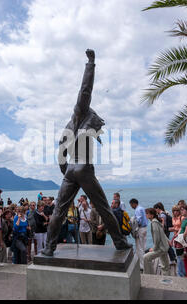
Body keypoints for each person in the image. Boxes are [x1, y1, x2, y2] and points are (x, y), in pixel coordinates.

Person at [41, 49, 131, 256]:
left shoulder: (67, 126)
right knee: (104, 207)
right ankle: (120, 243)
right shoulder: (81, 111)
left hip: (71, 168)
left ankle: (48, 247)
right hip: (83, 167)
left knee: (59, 211)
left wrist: (67, 172)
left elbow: (60, 154)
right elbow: (85, 90)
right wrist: (91, 63)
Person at [143, 208, 171, 275]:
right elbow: (162, 233)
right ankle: (167, 277)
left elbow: (157, 237)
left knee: (146, 257)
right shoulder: (157, 222)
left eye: (147, 213)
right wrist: (168, 241)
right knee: (165, 265)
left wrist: (154, 248)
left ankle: (149, 276)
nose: (145, 215)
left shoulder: (154, 223)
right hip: (164, 246)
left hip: (161, 247)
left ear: (152, 215)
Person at [129, 198, 148, 271]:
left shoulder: (137, 209)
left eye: (131, 205)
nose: (131, 207)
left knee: (139, 247)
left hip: (140, 229)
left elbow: (138, 221)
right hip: (145, 228)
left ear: (134, 203)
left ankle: (141, 266)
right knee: (143, 246)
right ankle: (144, 263)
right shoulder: (142, 208)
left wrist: (132, 222)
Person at [169, 205, 185, 277]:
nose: (175, 212)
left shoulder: (182, 218)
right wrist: (171, 229)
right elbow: (174, 227)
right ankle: (181, 272)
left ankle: (180, 273)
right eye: (174, 211)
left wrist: (175, 229)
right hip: (175, 237)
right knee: (179, 255)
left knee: (180, 256)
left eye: (177, 210)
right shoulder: (173, 218)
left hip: (181, 238)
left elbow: (183, 228)